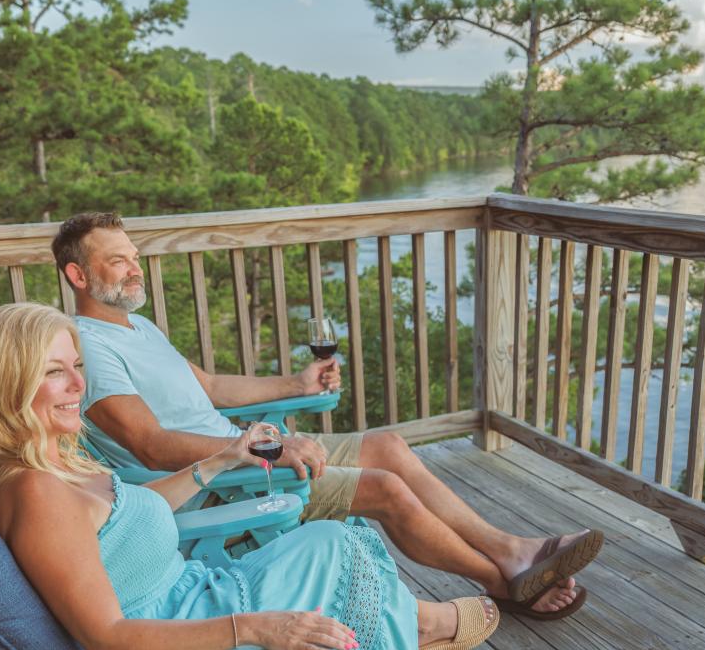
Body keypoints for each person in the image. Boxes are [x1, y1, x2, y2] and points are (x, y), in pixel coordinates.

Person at [0, 302, 510, 650]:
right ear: (5, 383)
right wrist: (255, 629)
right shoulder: (35, 492)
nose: (77, 386)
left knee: (337, 540)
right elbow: (111, 641)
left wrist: (217, 462)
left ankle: (396, 643)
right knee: (340, 555)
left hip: (192, 610)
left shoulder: (51, 460)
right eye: (53, 373)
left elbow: (127, 515)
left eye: (78, 368)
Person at [55, 211, 603, 620]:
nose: (134, 270)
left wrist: (297, 382)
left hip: (243, 448)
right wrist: (259, 448)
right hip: (224, 480)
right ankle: (506, 584)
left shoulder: (137, 327)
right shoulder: (89, 347)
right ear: (80, 276)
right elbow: (149, 444)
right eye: (117, 260)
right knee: (384, 487)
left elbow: (212, 386)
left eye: (133, 256)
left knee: (386, 445)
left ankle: (514, 551)